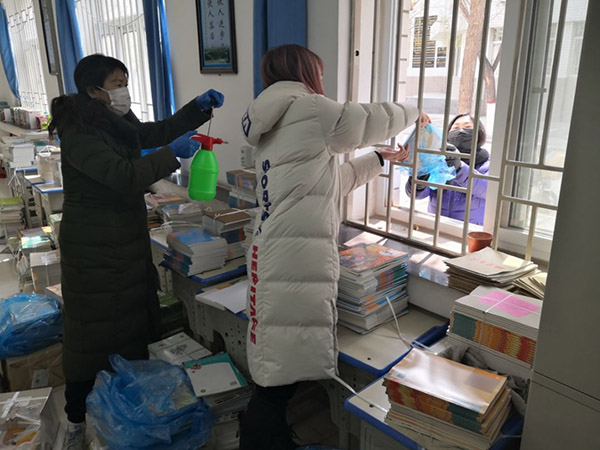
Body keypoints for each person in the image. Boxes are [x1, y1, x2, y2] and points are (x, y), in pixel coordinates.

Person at [238, 44, 421, 450]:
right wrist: (414, 109)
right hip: (292, 259)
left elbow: (327, 184)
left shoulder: (275, 118)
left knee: (275, 369)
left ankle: (271, 440)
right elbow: (370, 119)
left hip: (276, 251)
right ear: (306, 72)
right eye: (319, 72)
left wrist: (379, 159)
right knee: (275, 382)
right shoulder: (309, 108)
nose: (322, 80)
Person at [47, 54, 224, 450]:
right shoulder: (79, 131)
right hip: (93, 247)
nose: (123, 90)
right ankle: (75, 420)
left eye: (125, 81)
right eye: (117, 83)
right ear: (93, 90)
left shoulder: (110, 118)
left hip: (121, 239)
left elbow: (150, 133)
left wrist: (195, 111)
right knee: (89, 336)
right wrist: (171, 155)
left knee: (130, 328)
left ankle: (127, 413)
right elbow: (122, 175)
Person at [405, 113, 490, 225]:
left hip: (470, 229)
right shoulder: (438, 159)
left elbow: (488, 191)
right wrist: (420, 178)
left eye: (467, 127)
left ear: (479, 133)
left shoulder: (486, 163)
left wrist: (459, 168)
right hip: (437, 226)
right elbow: (415, 195)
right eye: (455, 128)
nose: (461, 131)